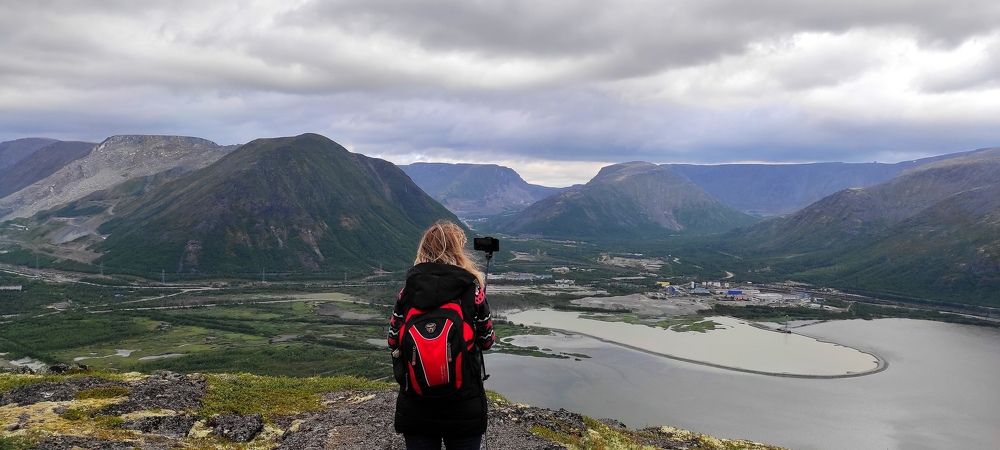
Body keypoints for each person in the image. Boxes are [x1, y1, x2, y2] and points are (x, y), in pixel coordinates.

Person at [388, 220, 495, 450]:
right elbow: (487, 341)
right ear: (457, 251)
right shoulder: (471, 289)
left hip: (416, 406)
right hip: (464, 406)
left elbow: (392, 339)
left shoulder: (407, 291)